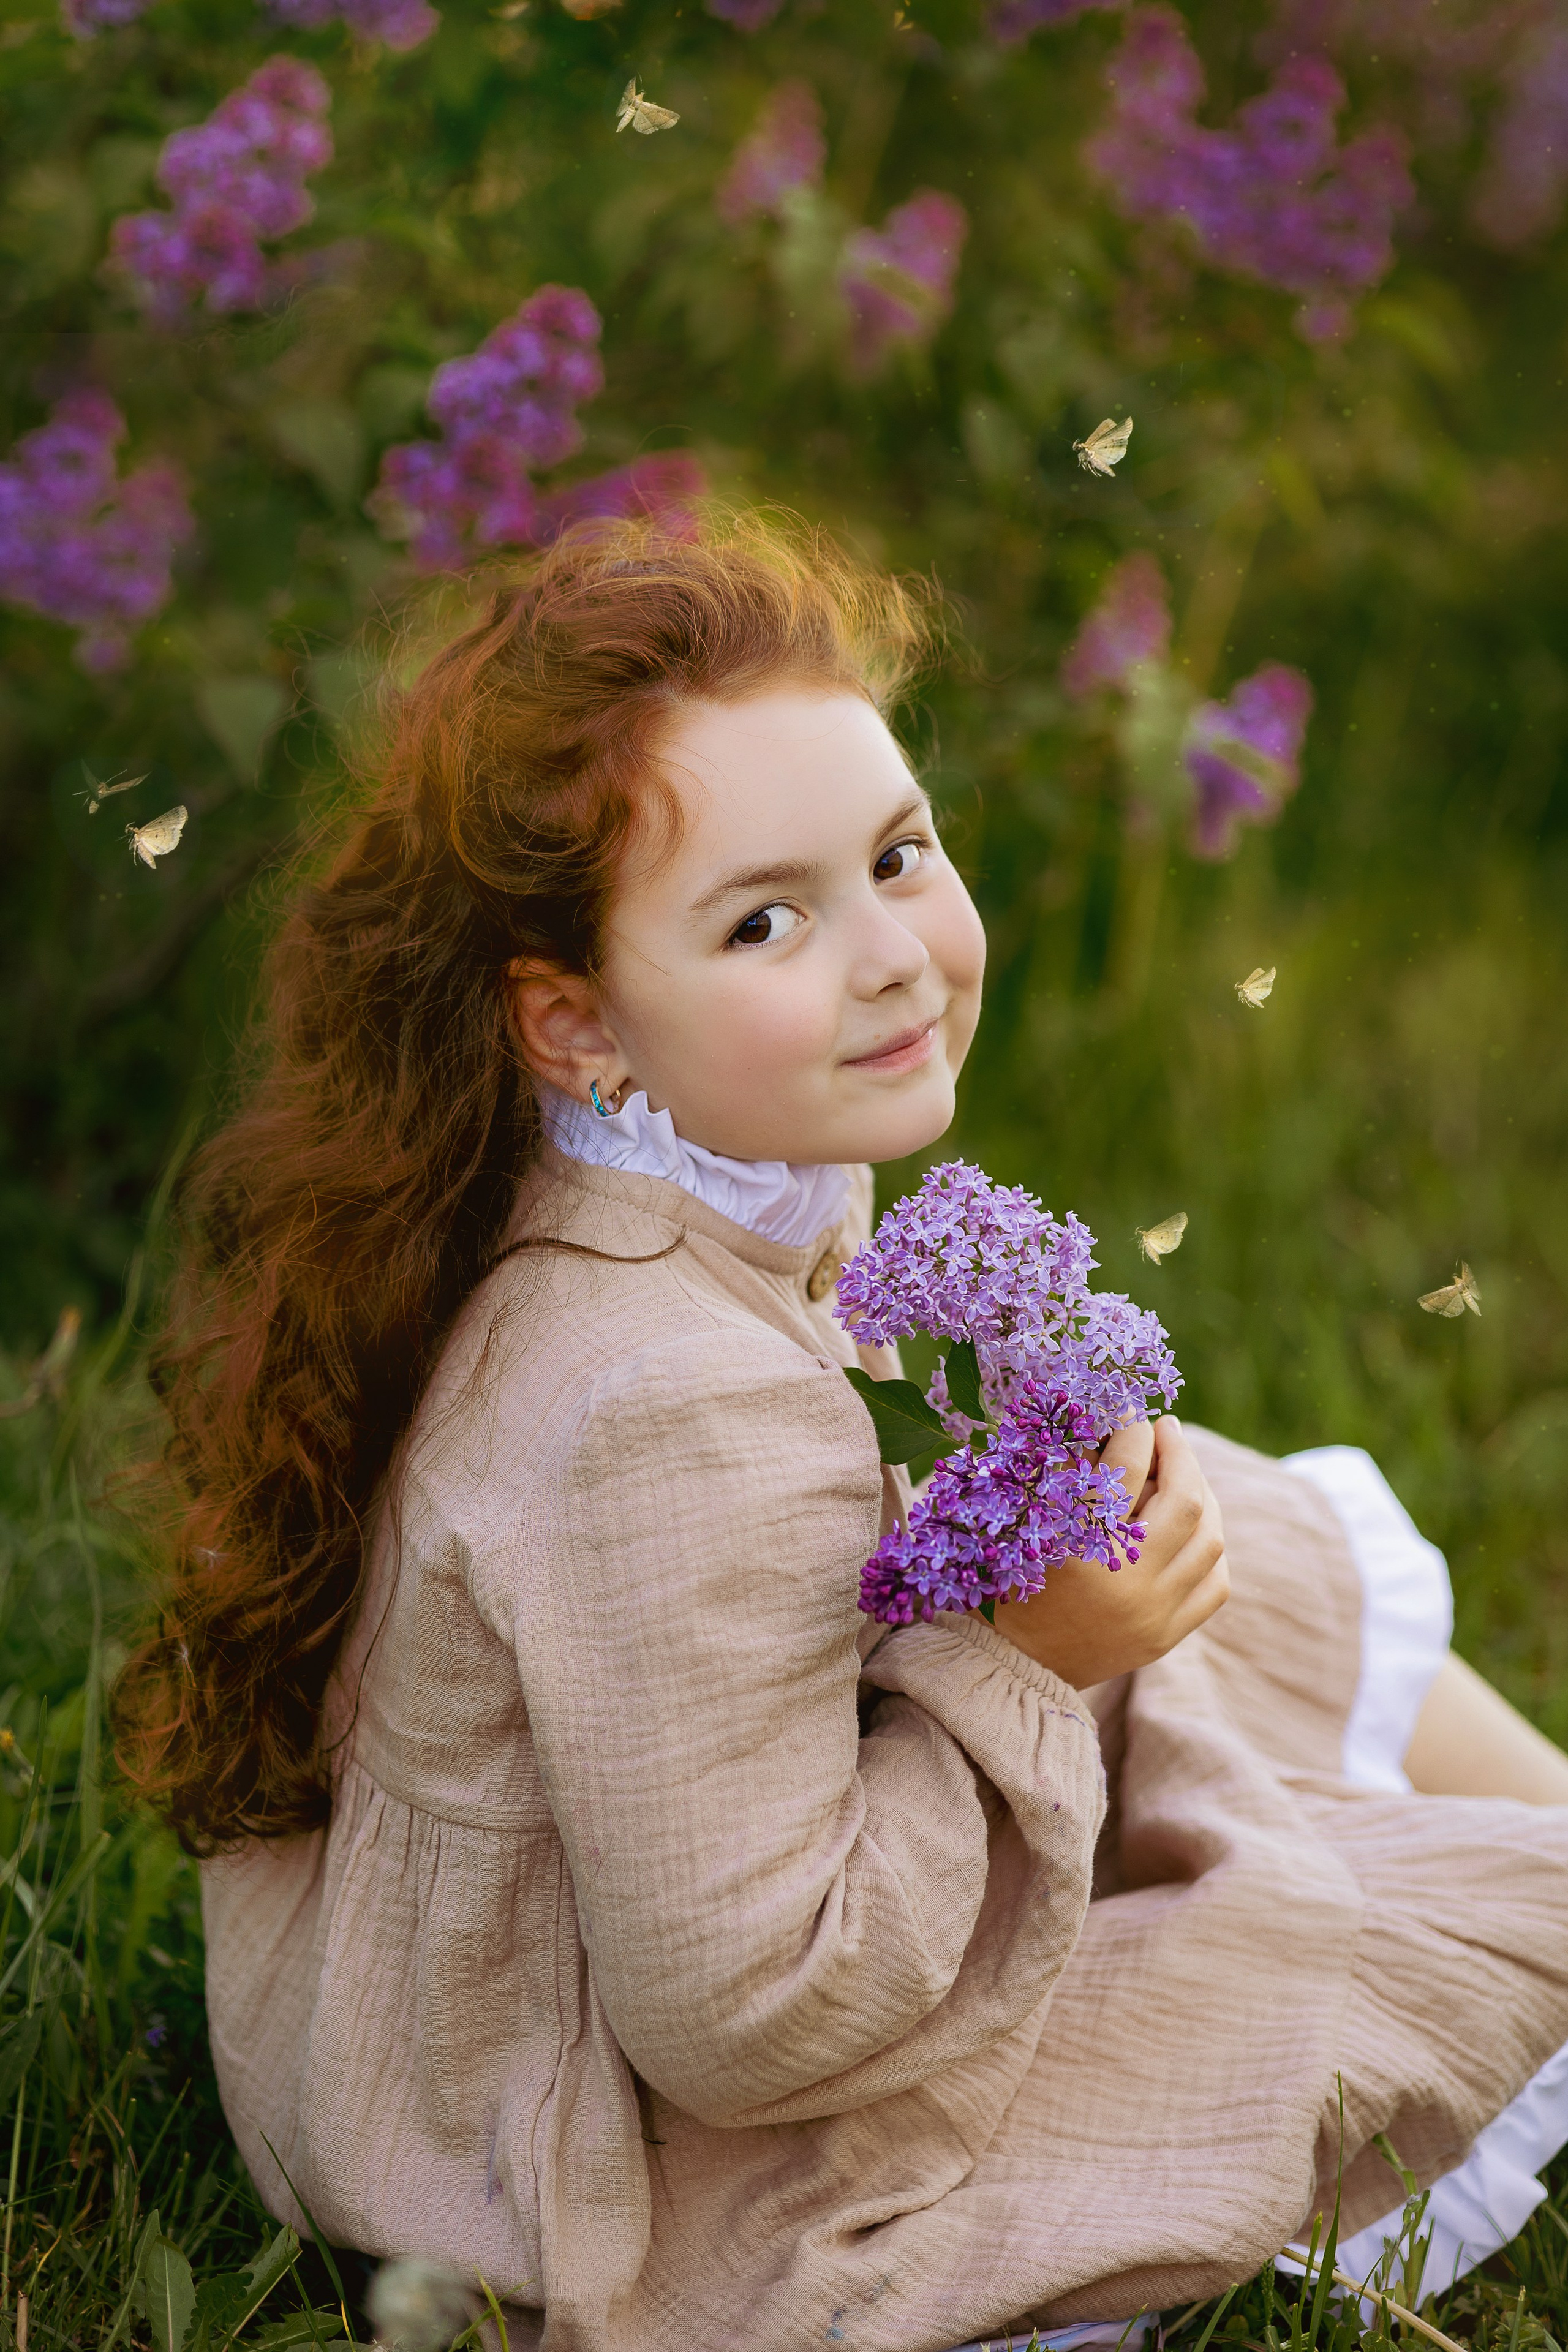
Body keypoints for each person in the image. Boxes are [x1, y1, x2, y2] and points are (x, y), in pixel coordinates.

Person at [118, 514, 1568, 2352]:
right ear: (574, 1019)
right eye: (764, 918)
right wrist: (1023, 1666)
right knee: (1454, 1939)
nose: (891, 954)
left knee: (1253, 1543)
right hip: (606, 2161)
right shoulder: (670, 1404)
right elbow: (755, 2017)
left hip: (458, 1996)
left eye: (896, 854)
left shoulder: (624, 1167)